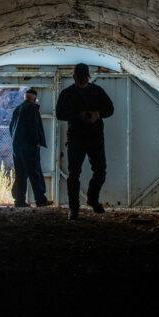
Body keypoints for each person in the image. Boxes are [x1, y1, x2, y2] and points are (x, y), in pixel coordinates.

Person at [55, 63, 114, 220]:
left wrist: (97, 114)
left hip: (93, 138)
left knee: (99, 171)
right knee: (75, 174)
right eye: (79, 78)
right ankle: (75, 208)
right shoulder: (68, 93)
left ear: (87, 77)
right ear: (74, 77)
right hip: (77, 138)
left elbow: (110, 109)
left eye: (83, 78)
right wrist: (79, 115)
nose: (81, 81)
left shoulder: (95, 91)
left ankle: (92, 199)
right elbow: (59, 113)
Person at [9, 87, 52, 208]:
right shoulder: (32, 108)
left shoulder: (17, 109)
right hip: (29, 146)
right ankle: (40, 200)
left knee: (21, 174)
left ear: (25, 96)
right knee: (35, 173)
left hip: (16, 146)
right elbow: (34, 127)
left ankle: (19, 201)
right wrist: (36, 142)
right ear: (34, 98)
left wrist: (15, 141)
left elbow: (11, 127)